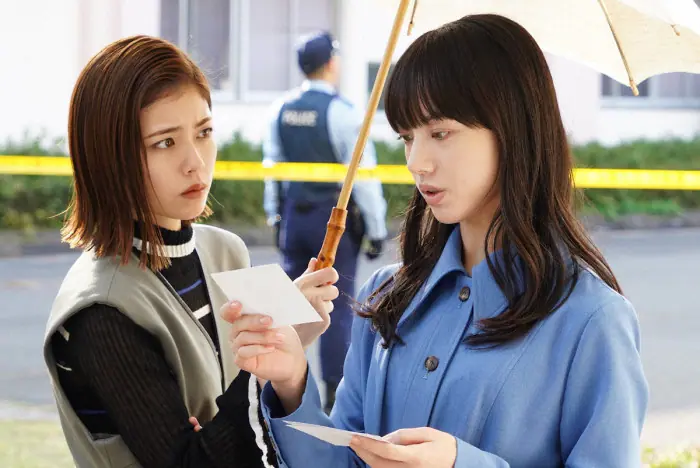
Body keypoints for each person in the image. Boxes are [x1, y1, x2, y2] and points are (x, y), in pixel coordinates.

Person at [225, 14, 650, 468]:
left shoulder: (591, 320)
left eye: (440, 133)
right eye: (407, 137)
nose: (416, 162)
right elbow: (346, 460)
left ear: (513, 128)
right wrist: (292, 383)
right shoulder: (386, 296)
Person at [42, 35, 339, 468]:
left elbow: (253, 434)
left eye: (204, 132)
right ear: (109, 156)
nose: (196, 162)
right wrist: (265, 364)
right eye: (165, 142)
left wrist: (286, 339)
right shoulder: (101, 309)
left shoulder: (225, 251)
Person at [262, 31, 389, 413]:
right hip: (331, 221)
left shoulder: (281, 109)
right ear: (331, 63)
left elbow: (272, 169)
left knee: (290, 303)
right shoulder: (341, 111)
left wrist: (275, 217)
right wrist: (377, 228)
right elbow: (362, 174)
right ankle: (335, 393)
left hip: (293, 216)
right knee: (333, 304)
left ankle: (276, 382)